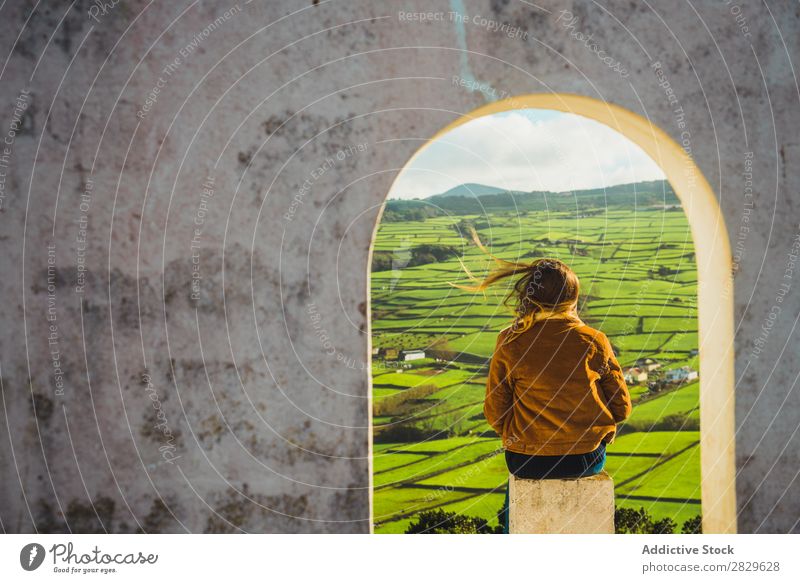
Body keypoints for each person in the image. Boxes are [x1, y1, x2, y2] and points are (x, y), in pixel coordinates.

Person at [452, 234, 632, 533]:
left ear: (529, 297)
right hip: (585, 458)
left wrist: (522, 435)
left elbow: (495, 411)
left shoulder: (510, 340)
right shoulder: (593, 340)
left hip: (526, 459)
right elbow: (622, 408)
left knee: (513, 507)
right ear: (574, 299)